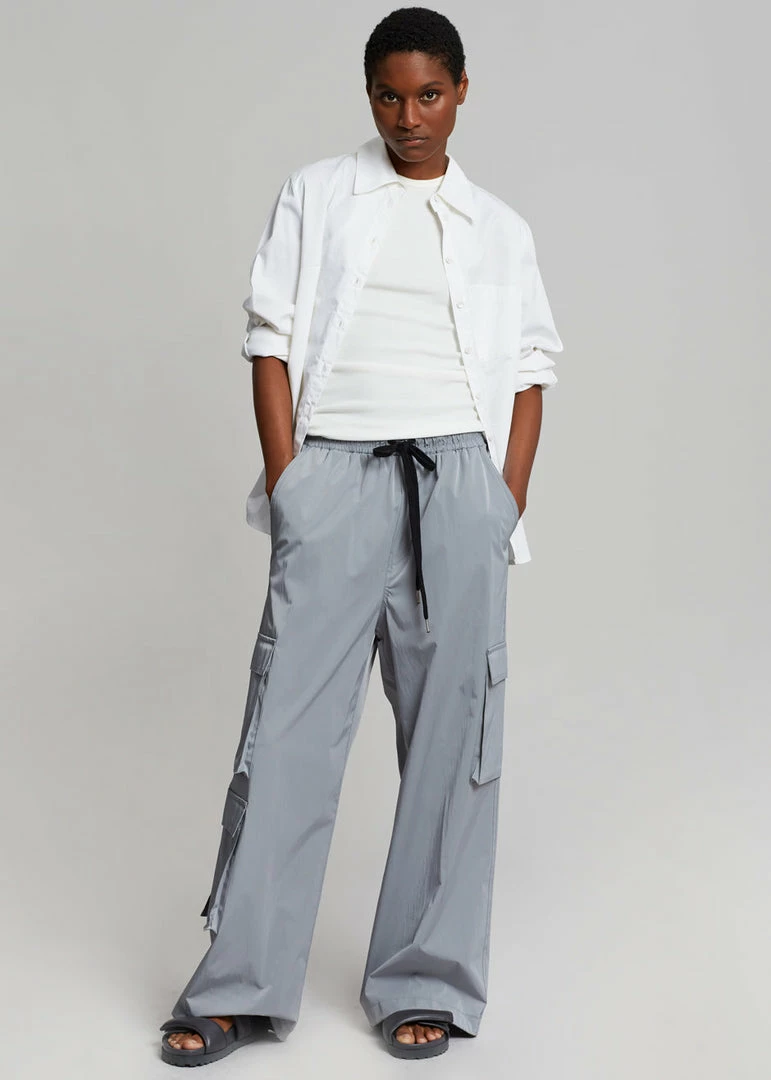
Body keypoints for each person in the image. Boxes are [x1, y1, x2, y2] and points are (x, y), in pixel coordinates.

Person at [159, 5, 563, 1066]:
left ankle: (424, 981)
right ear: (369, 96)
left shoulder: (499, 228)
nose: (408, 117)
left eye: (428, 94)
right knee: (286, 734)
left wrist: (503, 499)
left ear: (461, 92)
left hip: (458, 485)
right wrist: (290, 481)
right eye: (389, 95)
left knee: (454, 746)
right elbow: (270, 337)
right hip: (334, 475)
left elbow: (531, 368)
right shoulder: (318, 194)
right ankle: (240, 988)